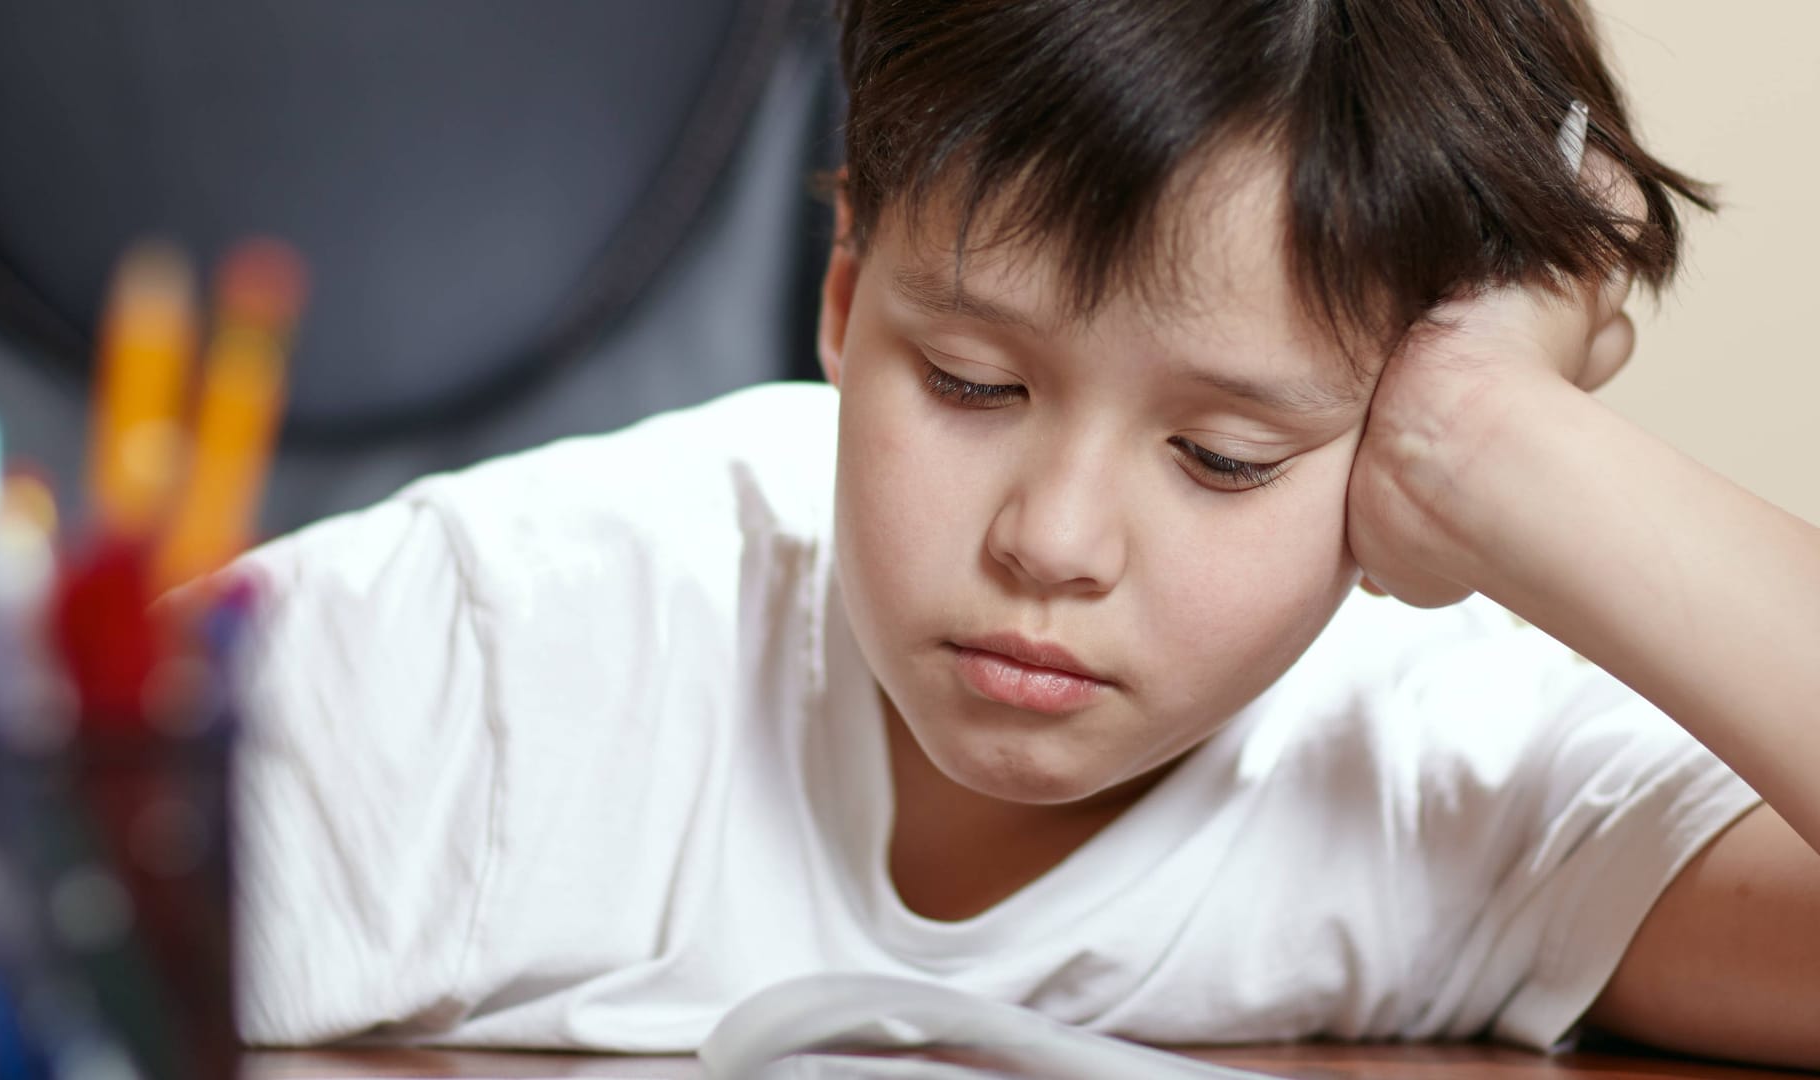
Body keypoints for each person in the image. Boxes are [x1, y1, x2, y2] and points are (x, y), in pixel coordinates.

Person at [230, 0, 1820, 1069]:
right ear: (846, 294)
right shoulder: (503, 654)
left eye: (1222, 454)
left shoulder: (1446, 764)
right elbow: (10, 915)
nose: (1053, 543)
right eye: (973, 382)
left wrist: (1508, 444)